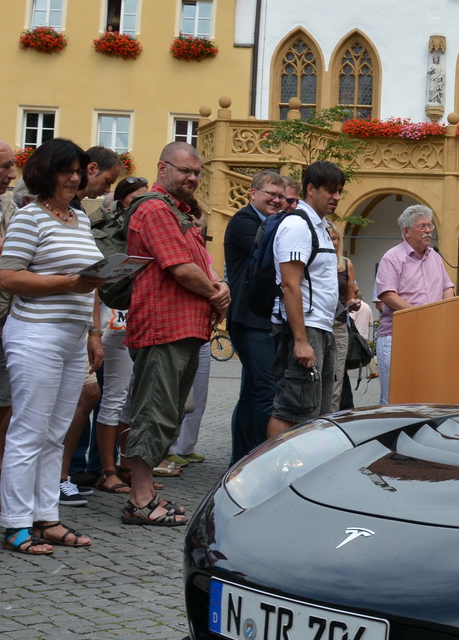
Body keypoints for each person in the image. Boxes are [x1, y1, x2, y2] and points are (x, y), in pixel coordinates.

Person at [0, 139, 104, 555]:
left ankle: (46, 516)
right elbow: (8, 277)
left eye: (77, 171)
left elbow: (89, 282)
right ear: (45, 172)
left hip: (73, 337)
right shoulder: (29, 218)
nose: (73, 178)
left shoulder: (80, 218)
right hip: (35, 334)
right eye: (65, 170)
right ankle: (16, 524)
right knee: (29, 430)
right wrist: (67, 283)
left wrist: (94, 333)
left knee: (57, 433)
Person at [120, 142, 227, 525]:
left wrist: (218, 285)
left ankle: (144, 494)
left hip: (184, 327)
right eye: (185, 171)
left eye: (197, 173)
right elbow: (181, 269)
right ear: (163, 168)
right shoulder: (154, 209)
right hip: (163, 327)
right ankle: (140, 500)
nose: (192, 178)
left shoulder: (181, 215)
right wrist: (218, 292)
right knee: (155, 411)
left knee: (170, 412)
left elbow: (201, 264)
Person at [268, 161, 346, 433]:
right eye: (330, 191)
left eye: (339, 191)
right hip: (304, 329)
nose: (336, 197)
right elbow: (290, 285)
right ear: (310, 189)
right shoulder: (298, 226)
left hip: (321, 327)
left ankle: (304, 471)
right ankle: (275, 472)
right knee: (291, 408)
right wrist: (300, 340)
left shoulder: (321, 226)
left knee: (315, 412)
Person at [223, 170, 288, 461]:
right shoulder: (244, 221)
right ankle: (255, 458)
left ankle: (242, 457)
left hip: (261, 319)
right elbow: (271, 253)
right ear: (252, 194)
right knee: (264, 390)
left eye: (280, 196)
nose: (276, 200)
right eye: (270, 194)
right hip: (249, 319)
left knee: (253, 391)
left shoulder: (269, 222)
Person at [92, 175, 146, 494]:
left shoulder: (142, 228)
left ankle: (125, 466)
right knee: (113, 398)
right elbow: (97, 283)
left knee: (131, 401)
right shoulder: (109, 234)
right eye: (134, 197)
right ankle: (107, 470)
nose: (140, 202)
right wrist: (95, 331)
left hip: (137, 322)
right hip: (113, 323)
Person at [374, 204, 451, 405]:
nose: (428, 230)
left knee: (425, 395)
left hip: (430, 335)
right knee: (395, 397)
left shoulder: (435, 256)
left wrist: (449, 309)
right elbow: (387, 294)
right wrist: (420, 313)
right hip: (397, 335)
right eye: (422, 226)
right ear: (406, 231)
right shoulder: (392, 257)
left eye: (430, 225)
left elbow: (447, 287)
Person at [327, 224, 362, 414]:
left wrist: (353, 302)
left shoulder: (345, 264)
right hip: (316, 324)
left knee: (336, 379)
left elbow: (349, 295)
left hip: (338, 325)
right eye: (329, 238)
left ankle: (329, 421)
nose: (332, 243)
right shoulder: (312, 261)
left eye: (335, 238)